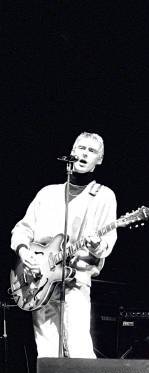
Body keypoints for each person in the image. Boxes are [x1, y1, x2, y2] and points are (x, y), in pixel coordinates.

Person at [10, 132, 117, 358]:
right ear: (72, 152)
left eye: (91, 151)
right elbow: (22, 228)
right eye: (80, 148)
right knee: (47, 350)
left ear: (99, 160)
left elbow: (107, 242)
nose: (84, 153)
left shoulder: (103, 196)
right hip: (38, 279)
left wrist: (97, 245)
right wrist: (24, 251)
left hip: (76, 278)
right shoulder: (47, 193)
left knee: (80, 349)